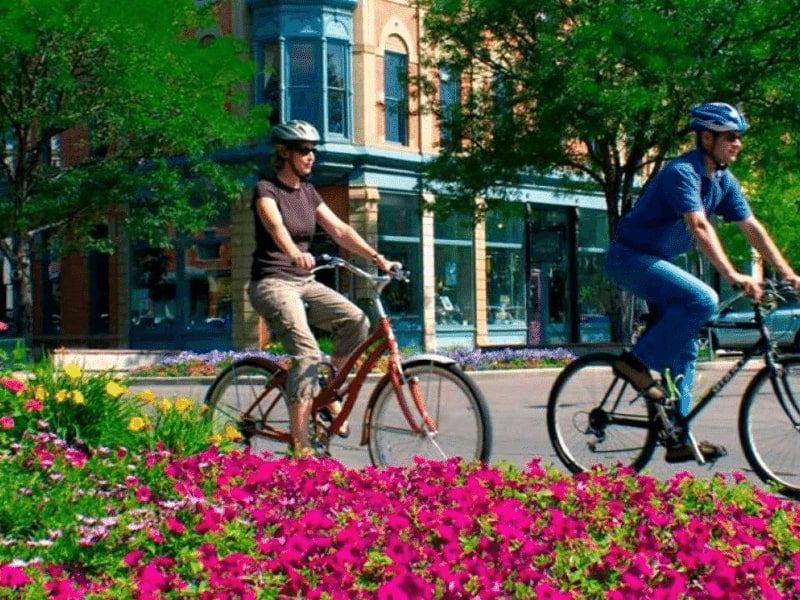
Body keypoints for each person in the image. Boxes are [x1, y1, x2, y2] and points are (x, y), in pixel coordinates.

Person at [605, 102, 800, 463]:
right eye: (730, 137)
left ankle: (677, 435)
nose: (737, 144)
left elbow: (752, 228)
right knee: (703, 298)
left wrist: (788, 273)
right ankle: (636, 363)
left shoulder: (723, 180)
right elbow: (698, 227)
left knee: (687, 347)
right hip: (629, 258)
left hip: (657, 262)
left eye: (739, 137)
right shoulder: (682, 172)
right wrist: (730, 273)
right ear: (706, 137)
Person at [248, 120, 398, 456]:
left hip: (304, 281)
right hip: (272, 282)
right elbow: (275, 226)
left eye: (313, 150)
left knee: (356, 320)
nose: (310, 156)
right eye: (304, 150)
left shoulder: (308, 192)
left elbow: (341, 230)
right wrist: (293, 253)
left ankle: (329, 394)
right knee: (307, 353)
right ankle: (301, 448)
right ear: (284, 153)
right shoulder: (266, 189)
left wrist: (378, 258)